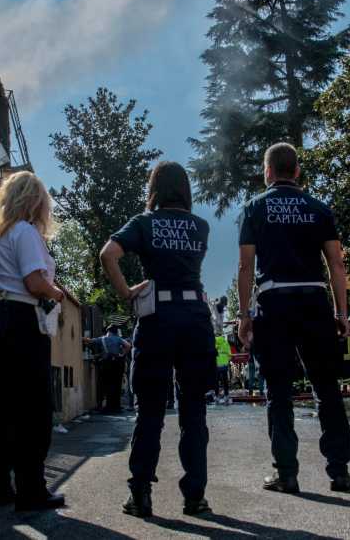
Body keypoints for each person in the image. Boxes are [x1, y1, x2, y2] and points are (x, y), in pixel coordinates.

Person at [237, 142, 350, 495]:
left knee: (278, 391)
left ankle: (286, 473)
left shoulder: (254, 208)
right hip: (314, 299)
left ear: (268, 171)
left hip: (275, 301)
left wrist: (245, 314)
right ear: (297, 171)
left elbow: (246, 265)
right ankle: (339, 471)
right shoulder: (318, 208)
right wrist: (341, 312)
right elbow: (336, 263)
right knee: (326, 387)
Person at [100, 161, 215, 518]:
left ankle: (141, 495)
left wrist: (127, 293)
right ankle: (194, 496)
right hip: (196, 319)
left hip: (157, 319)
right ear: (185, 190)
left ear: (154, 190)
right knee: (193, 411)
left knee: (150, 410)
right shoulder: (201, 226)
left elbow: (108, 254)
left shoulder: (144, 223)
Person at [0, 171, 65, 511]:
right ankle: (32, 489)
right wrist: (56, 292)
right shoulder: (25, 232)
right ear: (34, 201)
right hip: (22, 318)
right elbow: (33, 281)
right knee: (34, 407)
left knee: (2, 406)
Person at [84, 325, 131, 413]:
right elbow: (128, 345)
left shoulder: (101, 339)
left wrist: (82, 338)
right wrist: (122, 354)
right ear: (115, 331)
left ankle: (102, 406)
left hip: (105, 365)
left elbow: (89, 341)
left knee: (103, 384)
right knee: (116, 385)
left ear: (107, 331)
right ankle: (115, 406)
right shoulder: (118, 339)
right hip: (117, 365)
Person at [215, 331, 232, 404]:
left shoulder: (213, 343)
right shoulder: (225, 343)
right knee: (225, 381)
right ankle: (226, 395)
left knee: (216, 381)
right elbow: (229, 354)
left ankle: (217, 396)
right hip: (224, 365)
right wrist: (226, 361)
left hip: (216, 365)